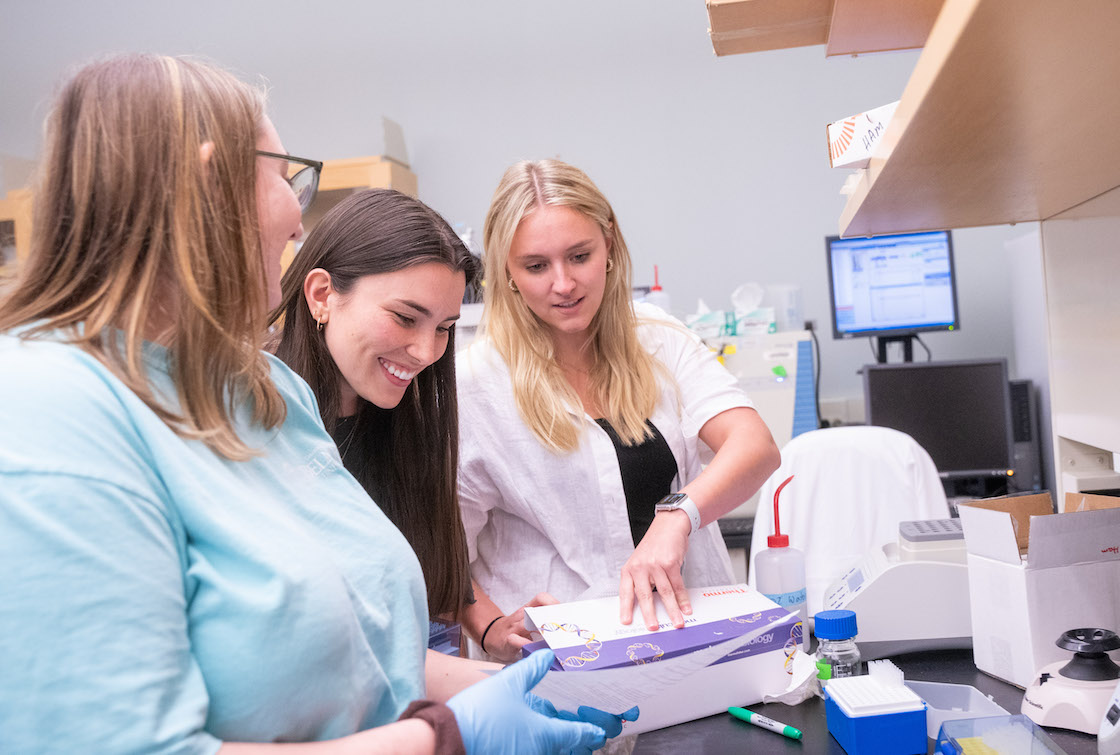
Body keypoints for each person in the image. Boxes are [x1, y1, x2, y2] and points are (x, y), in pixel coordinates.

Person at [0, 54, 617, 754]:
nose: (300, 214)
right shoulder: (47, 411)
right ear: (210, 182)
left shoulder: (262, 388)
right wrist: (446, 735)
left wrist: (493, 686)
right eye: (285, 174)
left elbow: (358, 644)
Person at [456, 159, 781, 661]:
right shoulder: (475, 384)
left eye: (579, 255)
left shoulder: (656, 337)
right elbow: (444, 548)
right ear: (508, 273)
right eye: (536, 266)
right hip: (560, 658)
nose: (563, 284)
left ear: (609, 244)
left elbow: (754, 445)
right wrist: (490, 628)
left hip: (689, 639)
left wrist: (676, 518)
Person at [271, 189, 476, 633]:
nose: (425, 352)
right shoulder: (256, 429)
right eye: (405, 317)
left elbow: (431, 611)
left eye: (444, 328)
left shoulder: (407, 428)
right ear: (323, 294)